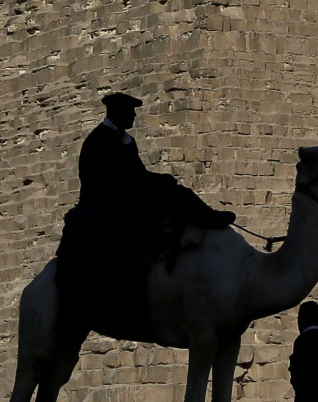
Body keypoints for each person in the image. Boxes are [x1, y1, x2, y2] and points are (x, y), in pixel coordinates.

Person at [55, 92, 235, 333]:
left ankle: (206, 217)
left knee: (177, 192)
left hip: (127, 196)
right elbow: (112, 180)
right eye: (130, 112)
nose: (133, 116)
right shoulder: (98, 140)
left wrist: (159, 181)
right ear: (117, 113)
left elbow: (136, 174)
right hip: (105, 203)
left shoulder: (126, 140)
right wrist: (152, 183)